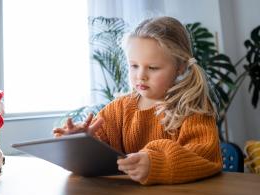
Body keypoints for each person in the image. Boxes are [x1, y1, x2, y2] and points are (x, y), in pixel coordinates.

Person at [53, 16, 222, 185]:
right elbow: (102, 152)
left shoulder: (191, 109)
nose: (141, 76)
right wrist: (82, 143)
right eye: (134, 66)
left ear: (180, 67)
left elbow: (204, 156)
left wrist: (157, 164)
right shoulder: (119, 109)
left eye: (153, 68)